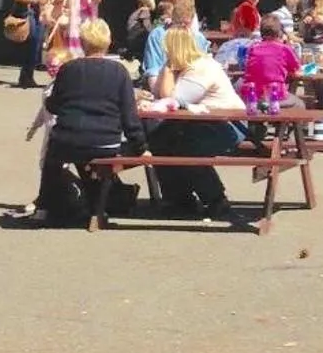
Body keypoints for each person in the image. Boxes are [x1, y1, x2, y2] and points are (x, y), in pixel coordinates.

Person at [30, 18, 146, 224]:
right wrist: (140, 146)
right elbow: (129, 116)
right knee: (100, 157)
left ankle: (44, 208)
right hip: (105, 140)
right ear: (108, 42)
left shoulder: (68, 69)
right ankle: (97, 210)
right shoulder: (119, 72)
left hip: (68, 138)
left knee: (53, 158)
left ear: (83, 43)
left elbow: (53, 105)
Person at [147, 25, 249, 221]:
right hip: (204, 123)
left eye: (167, 49)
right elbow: (158, 93)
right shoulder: (187, 67)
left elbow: (170, 99)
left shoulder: (201, 68)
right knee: (159, 139)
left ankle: (216, 200)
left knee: (187, 148)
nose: (165, 52)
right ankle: (178, 199)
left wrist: (168, 66)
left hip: (229, 126)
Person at [239, 15, 303, 111]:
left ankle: (258, 125)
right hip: (275, 93)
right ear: (279, 32)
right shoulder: (284, 48)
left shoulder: (253, 47)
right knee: (300, 105)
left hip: (251, 94)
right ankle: (285, 126)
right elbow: (296, 70)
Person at [46, 0, 99, 71]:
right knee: (69, 46)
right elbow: (58, 0)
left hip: (86, 18)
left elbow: (97, 0)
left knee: (85, 44)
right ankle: (73, 69)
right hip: (71, 19)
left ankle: (85, 69)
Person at [13, 0, 52, 89]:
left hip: (40, 15)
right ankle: (25, 76)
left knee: (37, 45)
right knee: (32, 42)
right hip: (29, 14)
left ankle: (28, 76)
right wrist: (35, 0)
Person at [123, 0, 155, 65]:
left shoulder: (136, 12)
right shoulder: (144, 11)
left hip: (131, 39)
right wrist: (155, 32)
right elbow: (147, 26)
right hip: (138, 40)